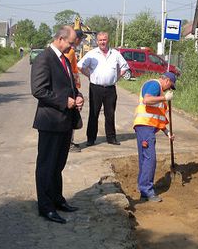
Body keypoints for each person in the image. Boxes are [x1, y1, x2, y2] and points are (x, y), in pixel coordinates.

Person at [31, 25, 84, 224]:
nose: (73, 48)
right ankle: (45, 207)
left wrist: (77, 96)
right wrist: (64, 101)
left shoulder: (64, 59)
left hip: (64, 121)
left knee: (58, 165)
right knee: (46, 166)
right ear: (60, 39)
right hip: (50, 121)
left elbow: (69, 86)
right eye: (70, 43)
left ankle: (57, 200)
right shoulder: (44, 58)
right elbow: (38, 90)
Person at [77, 31, 129, 146]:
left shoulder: (115, 53)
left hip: (110, 89)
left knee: (110, 114)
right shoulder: (92, 53)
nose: (102, 42)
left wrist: (116, 77)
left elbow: (124, 67)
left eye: (104, 40)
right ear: (97, 41)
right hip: (95, 88)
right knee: (93, 114)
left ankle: (111, 138)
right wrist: (89, 75)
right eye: (100, 40)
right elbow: (80, 66)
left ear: (108, 40)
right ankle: (91, 139)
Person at [133, 72, 177, 202]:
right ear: (167, 81)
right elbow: (147, 100)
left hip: (146, 127)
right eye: (170, 86)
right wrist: (164, 99)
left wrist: (167, 132)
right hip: (145, 127)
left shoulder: (159, 90)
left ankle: (144, 190)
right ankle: (147, 191)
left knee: (145, 159)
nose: (169, 89)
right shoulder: (155, 85)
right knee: (149, 159)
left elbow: (157, 115)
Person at [66, 30, 84, 152]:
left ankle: (68, 142)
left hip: (72, 87)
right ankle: (68, 143)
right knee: (71, 116)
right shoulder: (71, 52)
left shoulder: (71, 51)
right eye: (81, 39)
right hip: (70, 88)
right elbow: (68, 70)